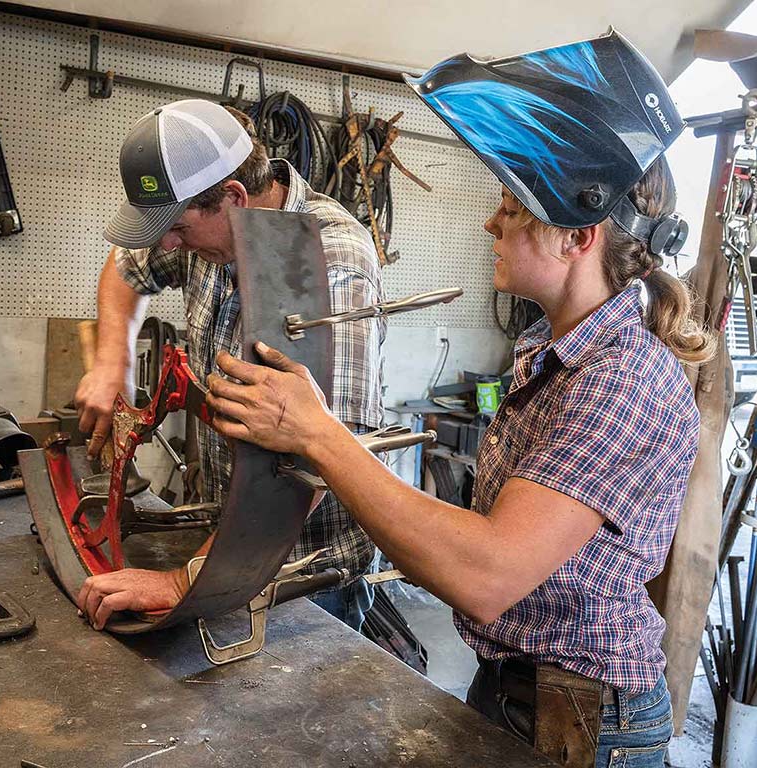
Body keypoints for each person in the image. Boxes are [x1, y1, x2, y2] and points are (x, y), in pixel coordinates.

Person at [202, 31, 714, 768]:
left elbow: (487, 575)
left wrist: (319, 434)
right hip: (516, 687)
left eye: (511, 206)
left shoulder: (621, 379)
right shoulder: (553, 351)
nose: (490, 221)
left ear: (578, 237)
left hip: (583, 719)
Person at [74, 99, 385, 632]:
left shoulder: (330, 260)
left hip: (301, 576)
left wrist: (183, 581)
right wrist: (113, 359)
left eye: (177, 229)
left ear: (234, 198)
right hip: (218, 544)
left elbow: (323, 457)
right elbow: (128, 266)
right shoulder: (210, 232)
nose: (167, 244)